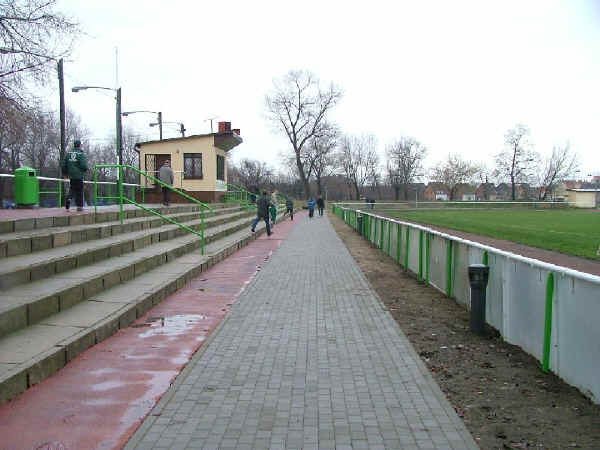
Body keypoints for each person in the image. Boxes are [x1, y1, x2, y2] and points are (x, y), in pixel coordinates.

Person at [61, 139, 88, 211]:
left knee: (72, 188)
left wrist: (65, 173)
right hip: (79, 175)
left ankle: (69, 198)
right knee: (79, 190)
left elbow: (64, 165)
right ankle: (79, 206)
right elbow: (84, 165)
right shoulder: (81, 154)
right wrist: (85, 170)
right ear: (79, 145)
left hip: (71, 175)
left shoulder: (68, 153)